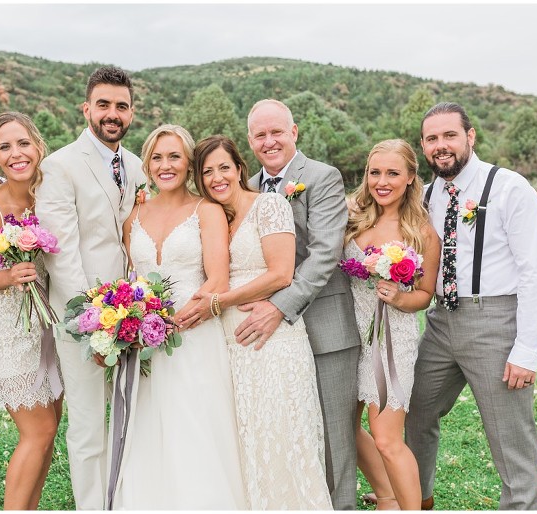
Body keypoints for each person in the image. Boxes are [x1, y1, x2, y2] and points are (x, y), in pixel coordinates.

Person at [405, 102, 537, 510]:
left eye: (449, 135)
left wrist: (527, 348)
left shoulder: (509, 188)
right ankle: (416, 495)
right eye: (431, 139)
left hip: (495, 322)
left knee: (509, 434)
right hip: (439, 321)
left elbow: (535, 271)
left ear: (470, 137)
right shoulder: (429, 194)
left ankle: (521, 506)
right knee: (415, 410)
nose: (441, 146)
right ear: (423, 145)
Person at [181, 134, 332, 509]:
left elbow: (281, 274)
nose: (217, 178)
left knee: (280, 437)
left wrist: (219, 302)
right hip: (229, 349)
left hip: (273, 340)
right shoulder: (213, 217)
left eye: (224, 168)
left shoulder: (270, 205)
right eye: (207, 171)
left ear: (239, 169)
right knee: (245, 446)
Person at [234, 98, 360, 509]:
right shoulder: (247, 187)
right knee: (293, 430)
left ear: (294, 132)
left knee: (335, 435)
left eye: (276, 132)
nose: (269, 141)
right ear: (250, 140)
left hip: (324, 324)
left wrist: (279, 306)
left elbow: (325, 252)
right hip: (271, 340)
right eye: (260, 135)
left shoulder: (322, 177)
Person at [112, 125, 247, 509]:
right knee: (151, 429)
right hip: (145, 343)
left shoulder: (207, 211)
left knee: (196, 427)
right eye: (157, 157)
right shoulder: (133, 215)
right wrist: (134, 321)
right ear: (147, 164)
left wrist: (179, 320)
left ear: (189, 163)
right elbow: (130, 279)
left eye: (174, 156)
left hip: (195, 335)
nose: (165, 165)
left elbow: (218, 277)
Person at [34, 66, 147, 509]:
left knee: (130, 420)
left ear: (131, 112)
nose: (112, 114)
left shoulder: (137, 165)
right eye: (103, 105)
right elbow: (61, 254)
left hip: (134, 319)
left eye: (121, 106)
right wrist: (92, 324)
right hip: (83, 321)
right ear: (86, 108)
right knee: (86, 428)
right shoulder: (59, 166)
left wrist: (137, 312)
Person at [0, 112, 64, 509]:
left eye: (23, 143)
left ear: (38, 146)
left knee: (50, 432)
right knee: (37, 433)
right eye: (5, 147)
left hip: (45, 328)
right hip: (6, 330)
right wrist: (6, 277)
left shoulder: (50, 197)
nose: (16, 153)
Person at [343, 139, 440, 510]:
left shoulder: (421, 232)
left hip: (390, 341)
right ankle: (387, 496)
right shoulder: (352, 214)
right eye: (375, 172)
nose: (382, 182)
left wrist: (399, 298)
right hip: (349, 334)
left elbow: (425, 294)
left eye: (392, 173)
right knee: (346, 428)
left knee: (386, 439)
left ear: (411, 177)